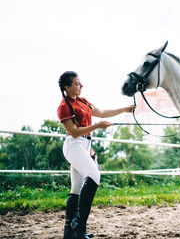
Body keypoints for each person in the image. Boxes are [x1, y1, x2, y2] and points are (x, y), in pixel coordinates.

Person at [57, 71, 135, 239]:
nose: (81, 86)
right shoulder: (64, 107)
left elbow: (102, 112)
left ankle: (71, 232)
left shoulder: (82, 101)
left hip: (85, 145)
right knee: (94, 175)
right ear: (67, 87)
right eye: (77, 84)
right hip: (74, 144)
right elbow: (74, 132)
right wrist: (97, 126)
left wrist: (124, 109)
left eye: (80, 83)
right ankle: (78, 223)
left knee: (76, 188)